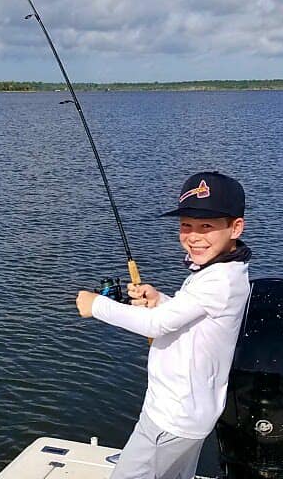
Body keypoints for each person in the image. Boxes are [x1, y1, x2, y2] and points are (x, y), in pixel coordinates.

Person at [76, 171, 251, 479]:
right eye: (186, 226)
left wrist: (97, 306)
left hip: (170, 418)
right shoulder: (224, 272)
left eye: (206, 226)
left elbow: (156, 325)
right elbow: (195, 317)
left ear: (235, 227)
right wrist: (162, 299)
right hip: (192, 414)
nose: (193, 236)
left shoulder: (219, 280)